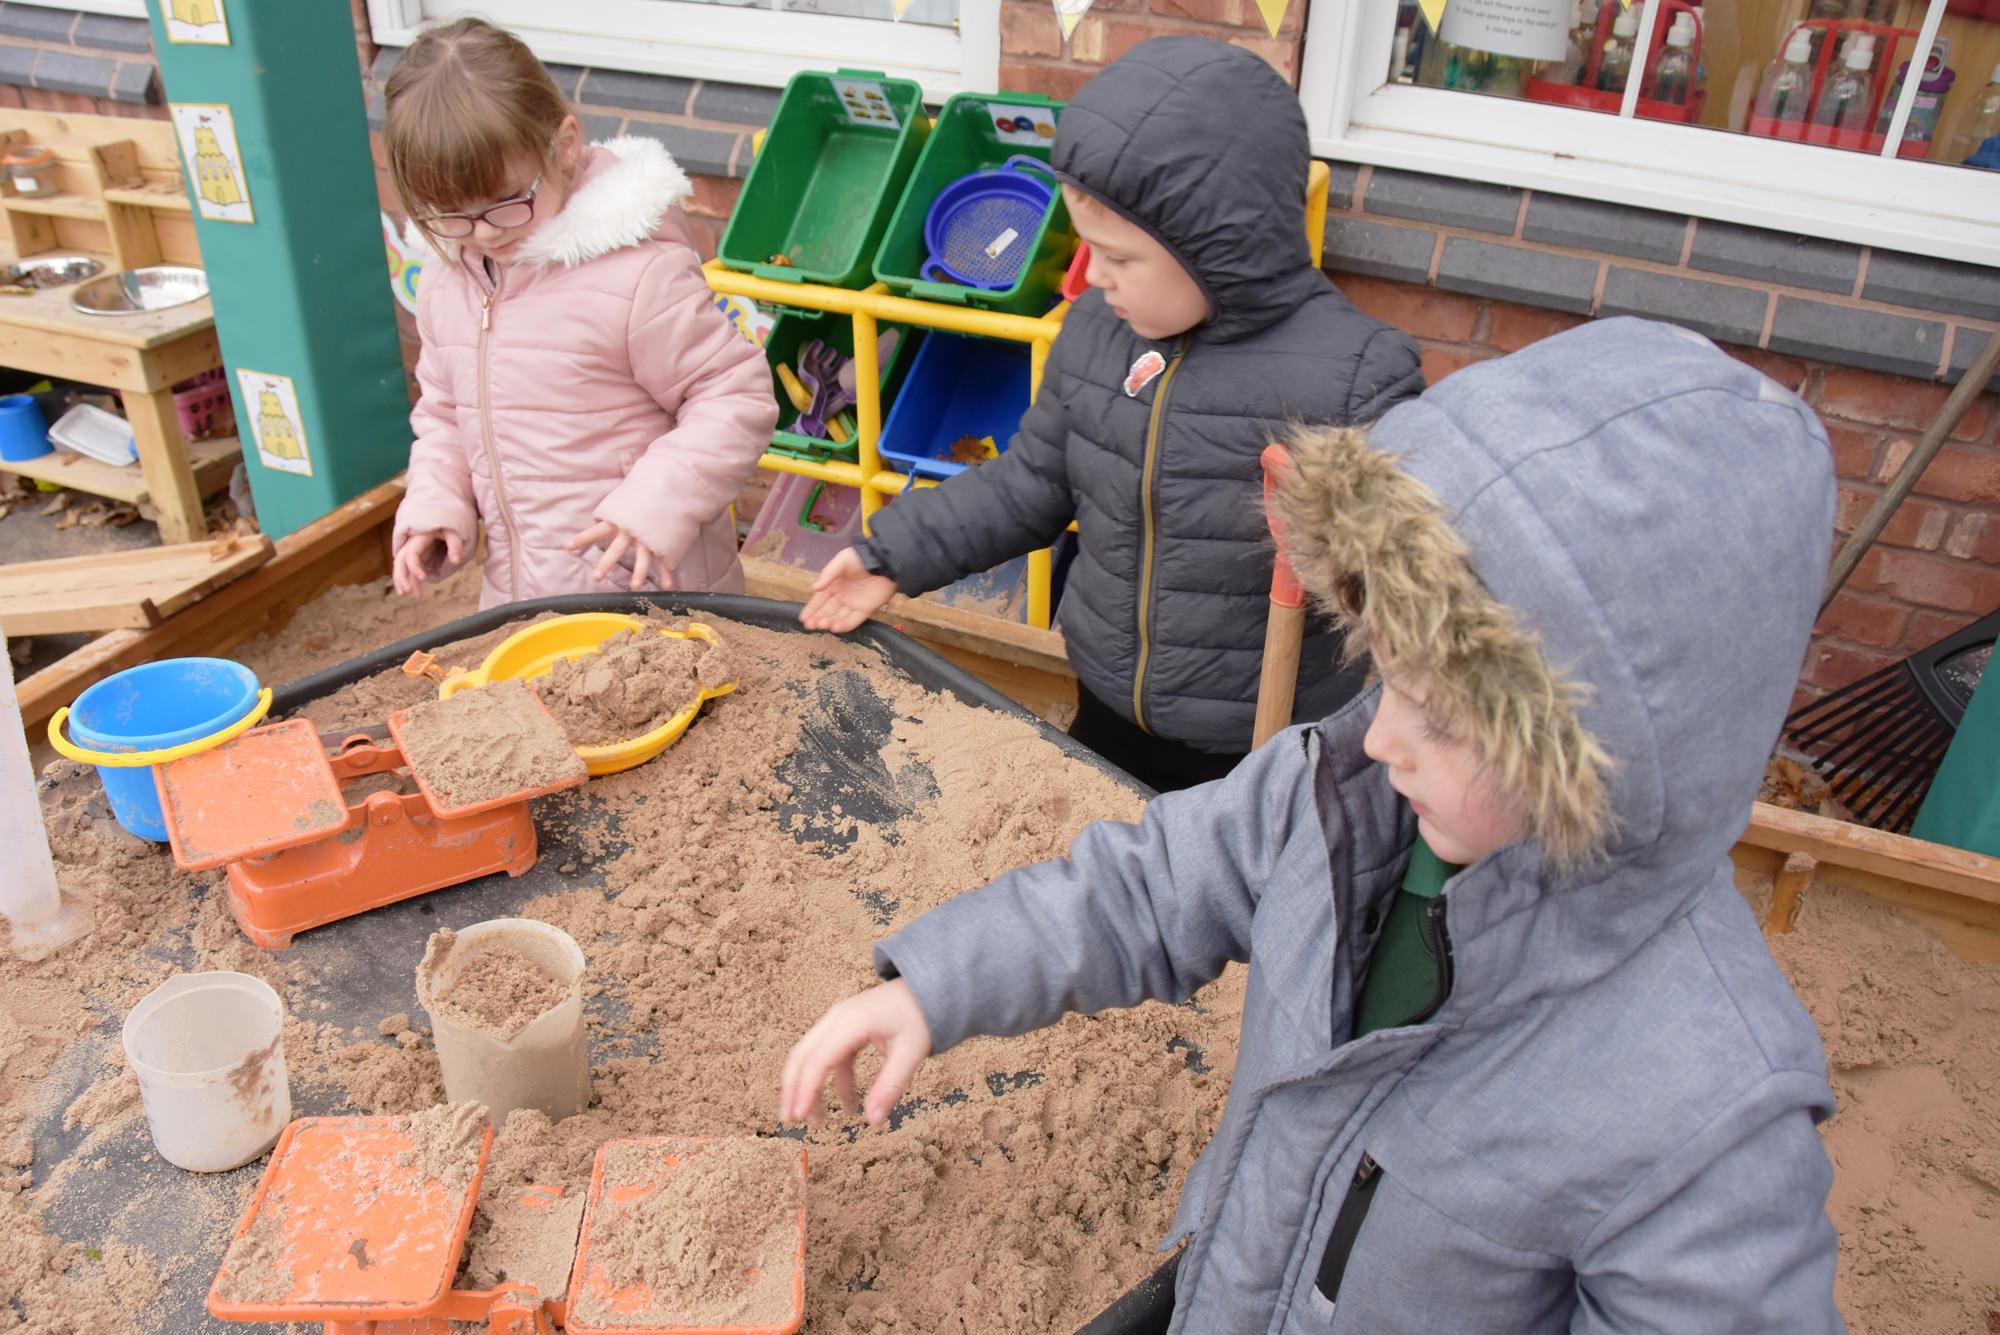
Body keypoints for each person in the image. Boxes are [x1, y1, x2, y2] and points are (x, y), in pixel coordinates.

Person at [781, 319, 1846, 1332]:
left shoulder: (1706, 1120)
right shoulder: (1340, 799)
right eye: (1384, 673)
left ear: (1605, 752)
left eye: (1442, 715)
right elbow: (1144, 886)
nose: (1378, 735)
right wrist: (937, 983)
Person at [800, 36, 1423, 792]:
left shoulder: (1355, 379)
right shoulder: (1098, 332)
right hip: (1107, 704)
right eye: (1088, 249)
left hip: (1258, 748)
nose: (1094, 275)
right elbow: (1028, 484)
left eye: (1120, 258)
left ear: (1218, 246)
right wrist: (890, 554)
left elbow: (1403, 597)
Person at [384, 17, 775, 608]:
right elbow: (444, 415)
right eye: (451, 215)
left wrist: (658, 503)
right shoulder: (449, 280)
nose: (484, 233)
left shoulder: (636, 274)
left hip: (648, 596)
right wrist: (436, 503)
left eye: (506, 203)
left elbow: (735, 396)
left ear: (564, 145)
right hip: (519, 597)